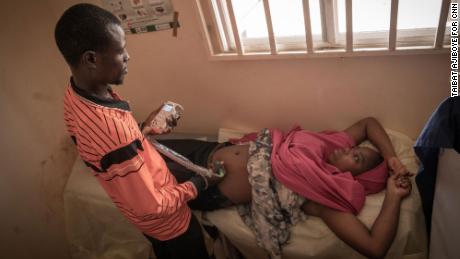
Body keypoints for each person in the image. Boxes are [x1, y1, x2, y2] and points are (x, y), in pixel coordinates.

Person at [55, 4, 212, 259]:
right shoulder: (112, 131)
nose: (128, 57)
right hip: (171, 226)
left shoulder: (76, 94)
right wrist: (200, 183)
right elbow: (153, 206)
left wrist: (141, 132)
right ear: (91, 59)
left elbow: (104, 149)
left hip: (146, 211)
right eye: (120, 51)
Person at [157, 117, 413, 258]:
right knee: (140, 145)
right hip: (207, 150)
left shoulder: (324, 194)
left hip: (204, 183)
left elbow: (375, 247)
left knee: (136, 182)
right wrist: (392, 158)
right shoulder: (327, 144)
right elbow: (369, 123)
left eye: (356, 158)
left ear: (351, 177)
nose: (349, 148)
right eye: (356, 149)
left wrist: (393, 195)